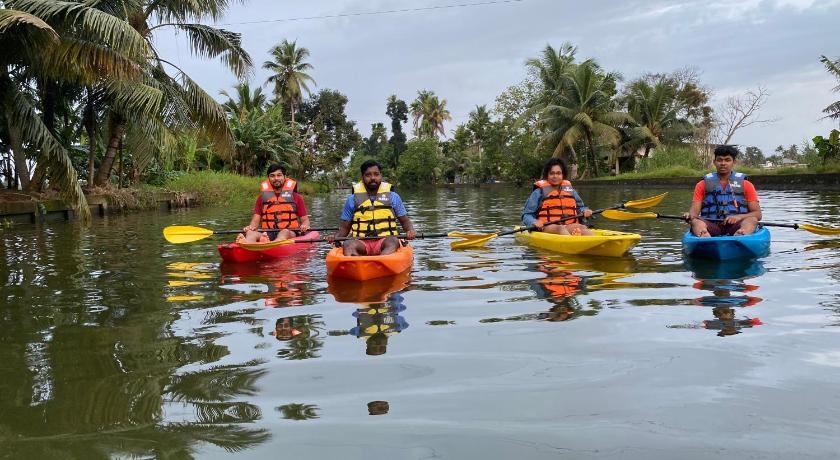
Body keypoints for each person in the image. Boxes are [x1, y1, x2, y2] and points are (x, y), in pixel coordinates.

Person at [329, 160, 416, 255]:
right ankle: (356, 264)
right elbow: (344, 229)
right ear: (362, 177)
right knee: (348, 244)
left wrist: (410, 230)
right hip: (361, 242)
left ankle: (382, 261)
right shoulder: (352, 200)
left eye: (376, 174)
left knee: (393, 241)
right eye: (368, 175)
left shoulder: (393, 197)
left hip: (385, 240)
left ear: (381, 176)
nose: (373, 178)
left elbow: (405, 221)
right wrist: (335, 237)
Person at [684, 145, 762, 237]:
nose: (723, 163)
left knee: (752, 219)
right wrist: (689, 216)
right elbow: (694, 213)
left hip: (736, 225)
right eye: (719, 160)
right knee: (696, 221)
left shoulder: (746, 184)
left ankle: (741, 234)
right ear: (714, 162)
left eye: (727, 160)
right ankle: (704, 234)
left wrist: (738, 217)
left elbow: (757, 214)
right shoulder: (702, 184)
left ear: (734, 162)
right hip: (711, 225)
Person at [239, 164, 310, 243]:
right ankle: (248, 245)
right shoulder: (261, 198)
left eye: (279, 175)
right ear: (269, 178)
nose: (276, 178)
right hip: (268, 232)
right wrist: (250, 228)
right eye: (272, 176)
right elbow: (255, 222)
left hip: (289, 232)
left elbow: (305, 220)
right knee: (250, 233)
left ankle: (271, 244)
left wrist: (304, 226)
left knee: (284, 232)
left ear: (284, 177)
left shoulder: (296, 197)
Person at [522, 157, 593, 236]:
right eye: (552, 173)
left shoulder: (570, 191)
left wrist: (585, 211)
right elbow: (526, 215)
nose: (555, 176)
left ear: (563, 174)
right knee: (560, 229)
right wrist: (533, 222)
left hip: (569, 225)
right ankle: (571, 244)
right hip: (547, 227)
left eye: (558, 173)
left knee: (582, 227)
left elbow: (581, 207)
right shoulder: (538, 192)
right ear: (547, 175)